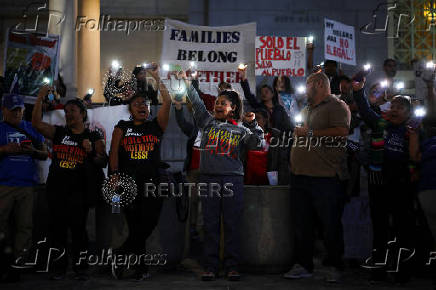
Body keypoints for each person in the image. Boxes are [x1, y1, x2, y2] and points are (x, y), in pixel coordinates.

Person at [180, 70, 263, 281]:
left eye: (223, 103)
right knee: (210, 224)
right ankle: (211, 266)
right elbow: (197, 103)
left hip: (232, 180)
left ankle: (232, 266)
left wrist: (253, 125)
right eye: (217, 102)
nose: (218, 105)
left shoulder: (242, 129)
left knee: (232, 224)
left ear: (233, 108)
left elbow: (258, 144)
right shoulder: (206, 123)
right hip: (208, 179)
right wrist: (187, 83)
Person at [32, 87, 107, 280]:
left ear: (82, 114)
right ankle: (59, 268)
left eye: (72, 111)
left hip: (79, 193)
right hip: (57, 191)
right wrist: (40, 98)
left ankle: (81, 268)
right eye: (66, 112)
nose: (68, 115)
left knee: (79, 232)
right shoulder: (58, 132)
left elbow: (102, 161)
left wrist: (90, 151)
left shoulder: (93, 136)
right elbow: (36, 123)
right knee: (57, 232)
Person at [284, 72, 350, 283]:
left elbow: (341, 131)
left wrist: (310, 133)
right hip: (300, 176)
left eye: (308, 84)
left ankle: (334, 265)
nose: (305, 88)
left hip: (326, 177)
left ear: (319, 84)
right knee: (301, 224)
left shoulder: (337, 106)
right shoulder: (307, 108)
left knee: (329, 224)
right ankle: (303, 264)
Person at [108, 63, 171, 281]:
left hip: (153, 184)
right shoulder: (121, 127)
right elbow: (113, 154)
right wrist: (114, 178)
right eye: (136, 103)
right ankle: (140, 268)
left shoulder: (156, 125)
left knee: (148, 223)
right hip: (128, 183)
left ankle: (121, 254)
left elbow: (169, 101)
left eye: (144, 103)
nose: (141, 105)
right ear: (130, 108)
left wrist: (156, 77)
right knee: (135, 226)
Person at [353, 79, 417, 284]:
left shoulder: (413, 131)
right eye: (394, 106)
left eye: (401, 107)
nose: (396, 109)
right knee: (380, 228)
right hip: (378, 183)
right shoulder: (379, 123)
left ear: (408, 113)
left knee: (402, 229)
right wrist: (358, 90)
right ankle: (379, 270)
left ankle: (403, 272)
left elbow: (416, 158)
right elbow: (363, 108)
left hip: (402, 185)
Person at [0, 93, 48, 282]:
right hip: (4, 185)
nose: (17, 113)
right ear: (4, 110)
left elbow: (44, 154)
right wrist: (4, 150)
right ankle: (3, 262)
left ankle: (18, 265)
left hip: (28, 185)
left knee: (25, 227)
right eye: (13, 110)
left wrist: (33, 152)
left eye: (20, 109)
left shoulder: (31, 128)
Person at [239, 68, 291, 133]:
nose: (264, 94)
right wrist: (243, 79)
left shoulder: (279, 109)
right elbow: (249, 95)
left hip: (278, 138)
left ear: (272, 94)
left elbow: (287, 124)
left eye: (266, 92)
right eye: (262, 93)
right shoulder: (259, 107)